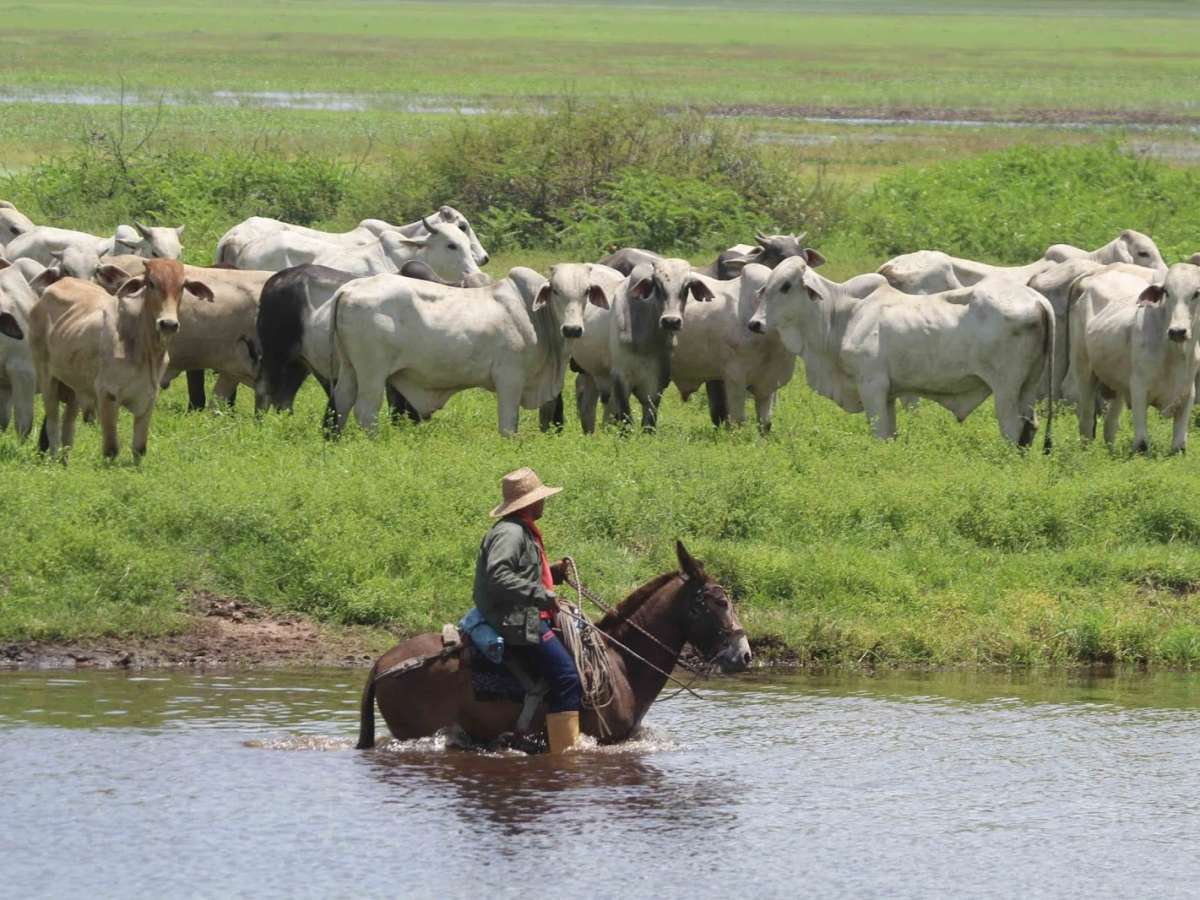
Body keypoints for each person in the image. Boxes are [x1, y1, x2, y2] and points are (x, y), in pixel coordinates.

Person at [473, 467, 582, 753]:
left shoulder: (520, 530)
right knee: (568, 677)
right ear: (531, 503)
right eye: (541, 498)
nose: (544, 502)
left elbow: (520, 571)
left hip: (523, 612)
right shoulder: (510, 533)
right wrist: (541, 594)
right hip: (515, 619)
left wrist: (552, 573)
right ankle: (564, 755)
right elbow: (499, 576)